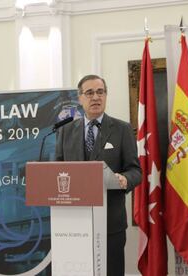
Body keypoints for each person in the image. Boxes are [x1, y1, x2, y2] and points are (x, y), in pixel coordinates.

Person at [55, 74, 141, 275]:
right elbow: (57, 169)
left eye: (100, 92)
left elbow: (135, 170)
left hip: (111, 222)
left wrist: (125, 179)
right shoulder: (65, 131)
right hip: (74, 224)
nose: (96, 97)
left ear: (106, 96)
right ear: (80, 98)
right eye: (90, 93)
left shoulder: (122, 129)